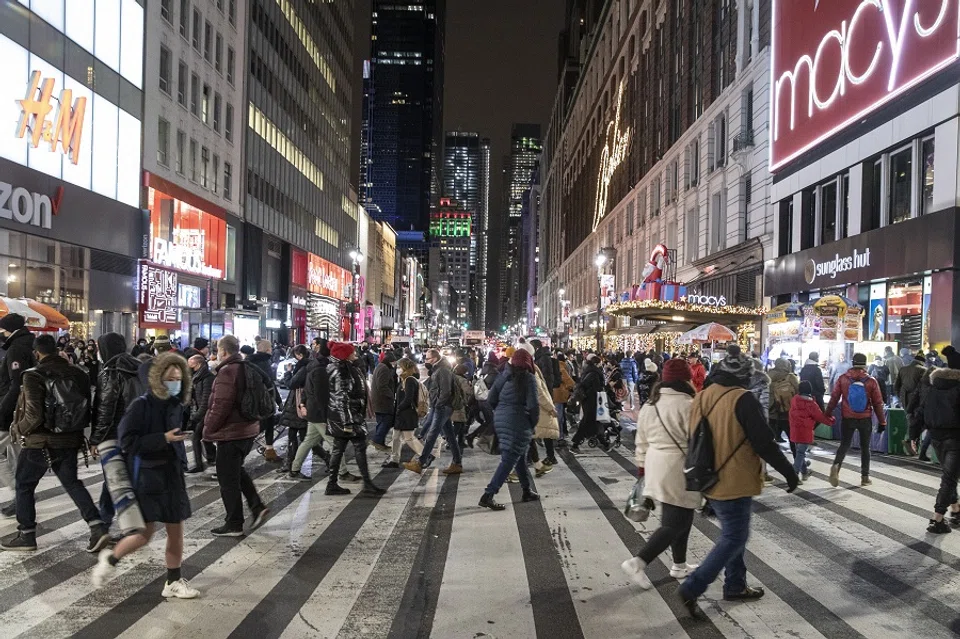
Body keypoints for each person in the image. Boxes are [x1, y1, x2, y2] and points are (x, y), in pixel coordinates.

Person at [677, 348, 798, 618]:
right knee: (734, 537)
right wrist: (789, 472)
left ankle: (735, 584)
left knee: (733, 533)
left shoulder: (702, 397)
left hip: (708, 476)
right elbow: (764, 442)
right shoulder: (743, 399)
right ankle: (693, 586)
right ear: (743, 375)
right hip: (735, 479)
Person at [91, 352, 198, 598]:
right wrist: (164, 439)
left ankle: (173, 581)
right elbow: (127, 441)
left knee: (176, 531)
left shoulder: (175, 405)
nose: (175, 382)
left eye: (179, 378)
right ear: (158, 378)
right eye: (170, 378)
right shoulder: (141, 405)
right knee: (144, 534)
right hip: (149, 478)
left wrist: (178, 443)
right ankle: (111, 559)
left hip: (171, 474)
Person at [0, 334, 108, 552]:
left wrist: (17, 429)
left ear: (36, 352)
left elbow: (33, 415)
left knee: (24, 484)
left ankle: (27, 534)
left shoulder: (33, 375)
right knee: (72, 483)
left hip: (40, 441)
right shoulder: (80, 374)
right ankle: (97, 527)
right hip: (71, 438)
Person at [621, 359, 702, 588]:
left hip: (655, 463)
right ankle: (639, 561)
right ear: (686, 379)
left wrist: (642, 470)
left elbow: (641, 440)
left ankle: (679, 565)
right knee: (676, 521)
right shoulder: (689, 404)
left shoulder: (650, 404)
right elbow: (698, 440)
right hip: (679, 466)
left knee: (679, 517)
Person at [203, 335, 269, 537]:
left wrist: (207, 430)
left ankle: (234, 523)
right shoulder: (245, 367)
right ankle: (257, 506)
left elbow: (220, 405)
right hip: (247, 429)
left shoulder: (227, 371)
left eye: (218, 349)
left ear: (223, 351)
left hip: (231, 432)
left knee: (227, 480)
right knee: (236, 471)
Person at [90, 333, 148, 526]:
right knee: (121, 477)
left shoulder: (111, 371)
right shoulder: (138, 366)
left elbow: (106, 409)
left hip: (116, 433)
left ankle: (105, 523)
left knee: (113, 478)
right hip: (139, 429)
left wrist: (96, 439)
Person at [479, 349, 540, 510]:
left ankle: (526, 490)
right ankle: (488, 495)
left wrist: (501, 411)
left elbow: (490, 399)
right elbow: (533, 405)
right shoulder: (529, 379)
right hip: (519, 421)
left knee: (518, 457)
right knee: (508, 460)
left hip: (501, 418)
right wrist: (532, 423)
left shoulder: (503, 376)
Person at [323, 342, 385, 497]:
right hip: (347, 417)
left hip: (344, 416)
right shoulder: (340, 370)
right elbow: (341, 397)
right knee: (358, 448)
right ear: (344, 355)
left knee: (339, 450)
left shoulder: (343, 367)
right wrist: (348, 422)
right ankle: (366, 484)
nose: (355, 354)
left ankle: (333, 484)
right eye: (352, 352)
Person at [908, 361, 960, 534]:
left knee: (949, 476)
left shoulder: (931, 391)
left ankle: (957, 510)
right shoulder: (958, 390)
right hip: (955, 439)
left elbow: (919, 413)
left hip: (936, 439)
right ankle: (937, 519)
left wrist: (914, 435)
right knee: (949, 479)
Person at [826, 352, 886, 488]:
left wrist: (827, 413)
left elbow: (834, 398)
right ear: (865, 364)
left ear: (852, 363)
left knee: (844, 445)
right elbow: (878, 403)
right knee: (865, 448)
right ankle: (865, 477)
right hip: (865, 418)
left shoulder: (843, 379)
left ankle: (836, 466)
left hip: (848, 417)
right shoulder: (871, 381)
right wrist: (882, 421)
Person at [403, 349, 460, 475]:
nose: (425, 361)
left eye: (427, 359)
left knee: (432, 434)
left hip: (442, 407)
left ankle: (420, 462)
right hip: (439, 406)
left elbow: (446, 391)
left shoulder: (443, 370)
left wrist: (438, 404)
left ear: (434, 358)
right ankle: (457, 463)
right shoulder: (438, 369)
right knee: (450, 436)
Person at [0, 313, 34, 516]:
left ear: (10, 330)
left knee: (15, 454)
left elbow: (16, 384)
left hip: (13, 410)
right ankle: (21, 497)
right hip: (22, 409)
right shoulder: (28, 344)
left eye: (3, 330)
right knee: (16, 454)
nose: (1, 333)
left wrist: (3, 411)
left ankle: (19, 491)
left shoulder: (16, 349)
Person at [288, 342, 333, 481]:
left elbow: (308, 389)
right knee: (334, 442)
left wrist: (303, 403)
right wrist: (325, 414)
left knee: (308, 441)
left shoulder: (312, 366)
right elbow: (320, 394)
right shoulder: (320, 369)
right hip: (318, 412)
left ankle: (294, 469)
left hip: (312, 411)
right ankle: (340, 471)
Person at [276, 345, 315, 472]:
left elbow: (291, 384)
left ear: (299, 355)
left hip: (298, 404)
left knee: (301, 437)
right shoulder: (310, 365)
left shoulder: (303, 367)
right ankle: (291, 463)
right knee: (301, 436)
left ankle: (292, 464)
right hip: (301, 403)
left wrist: (288, 372)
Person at [789, 380, 835, 484]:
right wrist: (831, 420)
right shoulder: (811, 404)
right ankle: (794, 475)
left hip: (795, 430)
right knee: (800, 453)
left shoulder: (794, 400)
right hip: (805, 432)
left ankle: (805, 472)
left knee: (799, 452)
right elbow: (820, 417)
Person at [385, 358, 425, 468]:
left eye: (399, 367)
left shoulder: (409, 380)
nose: (397, 369)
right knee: (396, 437)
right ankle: (394, 460)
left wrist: (398, 408)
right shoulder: (404, 380)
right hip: (402, 414)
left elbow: (408, 399)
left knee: (409, 438)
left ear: (405, 368)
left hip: (406, 414)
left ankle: (426, 455)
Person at [248, 340, 281, 462]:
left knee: (264, 423)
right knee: (267, 424)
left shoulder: (249, 361)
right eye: (271, 348)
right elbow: (270, 383)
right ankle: (269, 450)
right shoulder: (264, 362)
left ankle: (269, 450)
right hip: (265, 399)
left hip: (254, 399)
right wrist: (278, 401)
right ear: (268, 350)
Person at [185, 354, 217, 474]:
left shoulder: (207, 378)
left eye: (191, 366)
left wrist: (196, 417)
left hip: (208, 413)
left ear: (198, 364)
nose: (189, 368)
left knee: (196, 437)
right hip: (202, 413)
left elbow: (206, 401)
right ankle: (212, 457)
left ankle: (199, 465)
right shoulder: (197, 377)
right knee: (205, 438)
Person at [570, 353, 606, 454]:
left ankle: (604, 443)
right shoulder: (594, 373)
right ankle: (575, 444)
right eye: (600, 363)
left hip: (589, 400)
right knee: (587, 422)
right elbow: (591, 386)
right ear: (597, 363)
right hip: (591, 400)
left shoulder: (588, 371)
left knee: (593, 422)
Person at [370, 350, 400, 451]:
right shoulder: (384, 369)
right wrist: (392, 396)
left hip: (380, 400)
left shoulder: (381, 366)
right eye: (394, 362)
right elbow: (382, 386)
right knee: (387, 421)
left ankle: (380, 443)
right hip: (382, 400)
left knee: (382, 421)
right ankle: (377, 440)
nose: (395, 364)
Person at [768, 358, 799, 448]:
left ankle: (771, 460)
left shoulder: (768, 376)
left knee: (769, 439)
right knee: (793, 438)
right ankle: (799, 460)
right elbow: (798, 391)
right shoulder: (790, 377)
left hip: (771, 412)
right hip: (787, 411)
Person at [551, 352, 575, 452]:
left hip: (551, 395)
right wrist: (568, 388)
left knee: (555, 417)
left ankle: (555, 436)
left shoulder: (551, 368)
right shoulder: (561, 368)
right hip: (559, 396)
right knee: (559, 417)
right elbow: (570, 382)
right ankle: (559, 437)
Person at [451, 364, 475, 456]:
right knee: (459, 424)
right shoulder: (462, 380)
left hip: (453, 403)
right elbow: (469, 391)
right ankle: (453, 441)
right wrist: (473, 385)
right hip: (460, 404)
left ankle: (459, 441)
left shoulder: (452, 377)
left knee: (459, 424)